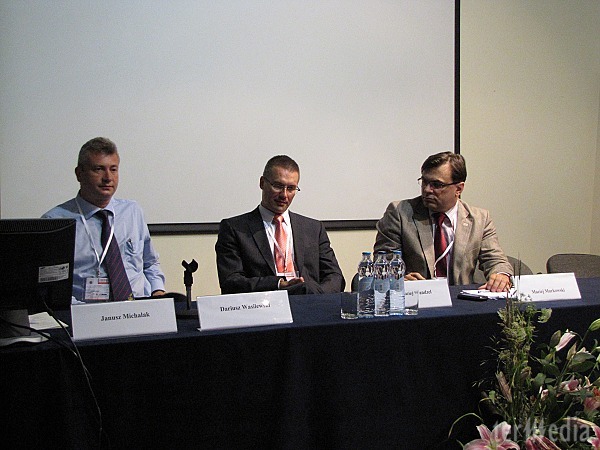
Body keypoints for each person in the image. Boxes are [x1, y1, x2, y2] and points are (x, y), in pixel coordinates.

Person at [43, 137, 166, 302]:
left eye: (113, 169)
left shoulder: (132, 211)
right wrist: (80, 311)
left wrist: (158, 292)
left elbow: (150, 263)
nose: (108, 177)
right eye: (99, 169)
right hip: (86, 310)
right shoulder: (55, 222)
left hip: (139, 308)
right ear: (79, 173)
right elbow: (51, 285)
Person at [374, 151, 513, 292]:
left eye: (436, 184)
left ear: (458, 189)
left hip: (461, 299)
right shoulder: (400, 213)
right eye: (424, 182)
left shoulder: (480, 219)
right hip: (417, 298)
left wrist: (501, 275)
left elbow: (495, 260)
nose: (427, 190)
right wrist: (399, 279)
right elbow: (383, 263)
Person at [215, 155, 345, 295]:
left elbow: (335, 276)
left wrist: (315, 295)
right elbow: (231, 282)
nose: (284, 195)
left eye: (291, 188)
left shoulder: (313, 228)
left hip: (310, 302)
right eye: (278, 186)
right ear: (262, 183)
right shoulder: (235, 228)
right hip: (265, 303)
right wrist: (278, 285)